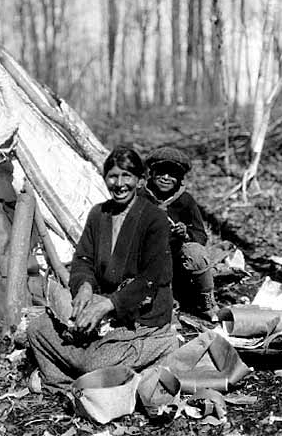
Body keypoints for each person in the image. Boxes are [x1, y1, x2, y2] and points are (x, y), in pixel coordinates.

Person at [27, 146, 179, 393]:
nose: (119, 184)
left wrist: (108, 305)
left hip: (141, 317)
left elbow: (151, 279)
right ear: (105, 178)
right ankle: (64, 385)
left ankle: (160, 346)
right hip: (105, 309)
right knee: (38, 329)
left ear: (140, 181)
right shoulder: (99, 214)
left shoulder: (154, 219)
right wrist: (84, 287)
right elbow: (83, 260)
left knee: (94, 362)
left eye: (127, 176)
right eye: (113, 176)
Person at [139, 146, 218, 320]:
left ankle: (206, 301)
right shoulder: (138, 198)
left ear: (180, 178)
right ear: (151, 173)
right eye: (161, 172)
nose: (166, 178)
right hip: (145, 263)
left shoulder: (185, 201)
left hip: (177, 263)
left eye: (172, 174)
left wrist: (186, 233)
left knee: (196, 253)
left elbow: (201, 235)